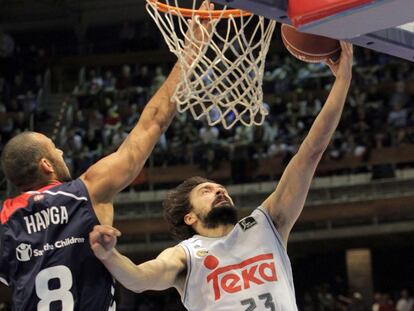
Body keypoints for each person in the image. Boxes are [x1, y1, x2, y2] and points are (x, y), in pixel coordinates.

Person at [90, 43, 353, 310]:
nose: (219, 191)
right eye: (206, 191)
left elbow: (310, 153)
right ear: (189, 217)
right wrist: (109, 255)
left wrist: (342, 80)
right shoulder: (186, 256)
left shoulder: (267, 222)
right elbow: (139, 278)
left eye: (220, 188)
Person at [0, 2, 214, 308]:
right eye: (54, 148)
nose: (61, 151)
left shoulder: (5, 222)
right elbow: (153, 122)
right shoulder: (86, 189)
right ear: (46, 164)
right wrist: (191, 52)